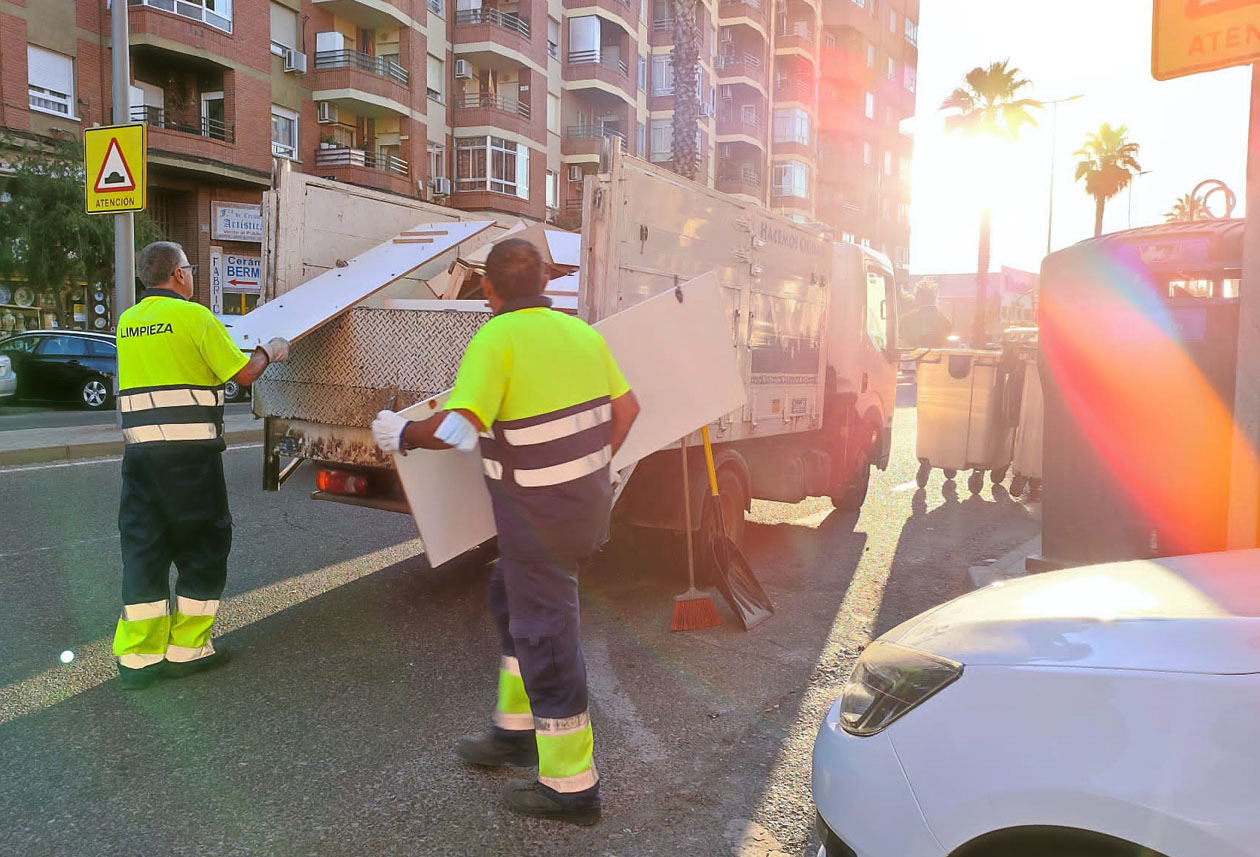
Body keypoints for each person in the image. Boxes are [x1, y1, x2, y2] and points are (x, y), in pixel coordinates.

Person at [371, 239, 640, 826]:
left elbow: (460, 431)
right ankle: (516, 730)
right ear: (545, 279)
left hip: (539, 518)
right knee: (510, 598)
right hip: (583, 507)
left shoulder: (496, 338)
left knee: (545, 633)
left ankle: (572, 787)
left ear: (488, 289)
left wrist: (403, 432)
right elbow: (628, 411)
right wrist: (590, 469)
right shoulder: (583, 335)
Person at [112, 241, 289, 690]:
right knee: (204, 547)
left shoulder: (128, 322)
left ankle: (138, 658)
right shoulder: (195, 317)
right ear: (177, 276)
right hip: (190, 460)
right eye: (189, 268)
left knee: (144, 551)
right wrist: (270, 350)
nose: (192, 276)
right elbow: (243, 374)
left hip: (139, 460)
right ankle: (188, 649)